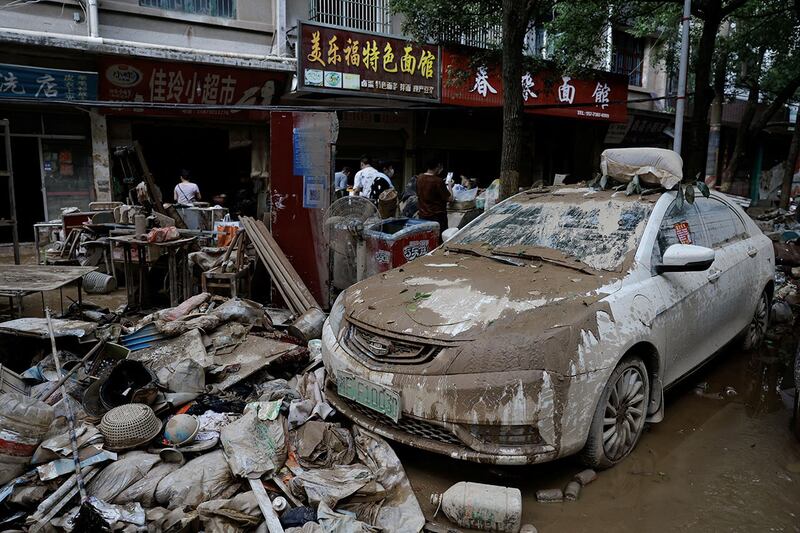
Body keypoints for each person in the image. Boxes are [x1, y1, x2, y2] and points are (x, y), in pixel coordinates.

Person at [416, 158, 452, 240]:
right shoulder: (438, 181)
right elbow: (450, 198)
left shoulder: (419, 178)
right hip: (437, 218)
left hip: (422, 217)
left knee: (426, 240)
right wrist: (449, 185)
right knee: (438, 241)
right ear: (438, 166)